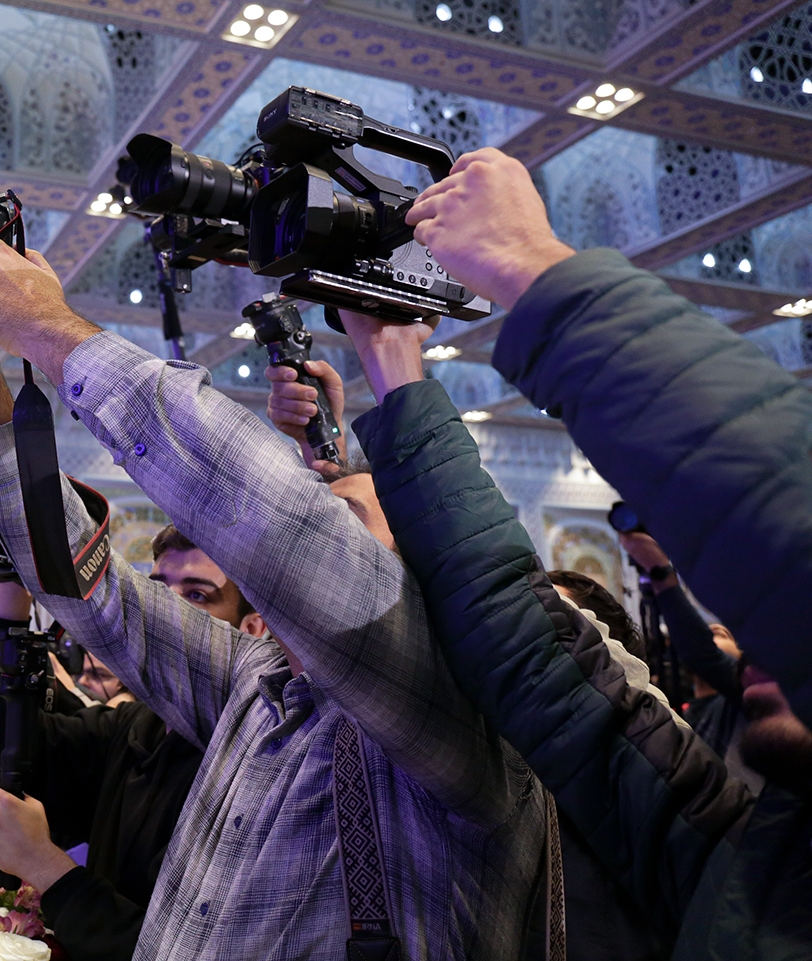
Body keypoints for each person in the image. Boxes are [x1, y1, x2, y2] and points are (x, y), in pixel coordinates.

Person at [0, 256, 552, 960]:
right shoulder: (261, 679)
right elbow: (93, 591)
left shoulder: (458, 718)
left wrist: (44, 324)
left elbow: (273, 518)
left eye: (345, 521)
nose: (319, 536)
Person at [337, 306, 808, 957]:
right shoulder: (743, 864)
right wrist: (390, 356)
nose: (762, 635)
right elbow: (524, 637)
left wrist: (541, 278)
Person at [401, 146, 812, 730]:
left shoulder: (688, 777)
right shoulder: (715, 784)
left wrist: (525, 261)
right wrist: (394, 354)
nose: (757, 660)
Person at [0, 523, 276, 961]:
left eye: (196, 595)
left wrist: (44, 865)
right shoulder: (138, 726)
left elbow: (170, 950)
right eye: (158, 591)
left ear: (251, 629)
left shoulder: (252, 766)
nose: (165, 612)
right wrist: (14, 590)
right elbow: (1, 741)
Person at [617, 531, 761, 793]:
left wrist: (661, 572)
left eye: (722, 634)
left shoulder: (750, 699)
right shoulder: (684, 713)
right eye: (710, 633)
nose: (713, 633)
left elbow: (700, 651)